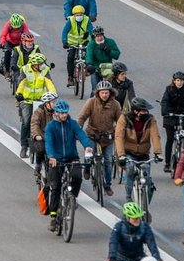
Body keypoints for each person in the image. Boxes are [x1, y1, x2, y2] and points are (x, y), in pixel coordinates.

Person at [42, 99, 91, 230]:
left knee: (77, 176)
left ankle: (72, 197)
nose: (64, 115)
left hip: (71, 157)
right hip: (56, 159)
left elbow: (82, 135)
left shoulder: (72, 124)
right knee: (55, 186)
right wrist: (51, 156)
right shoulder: (51, 126)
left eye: (65, 113)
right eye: (61, 113)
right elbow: (49, 142)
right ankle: (53, 217)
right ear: (56, 113)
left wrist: (87, 146)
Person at [78, 80, 122, 197]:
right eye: (102, 93)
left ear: (110, 93)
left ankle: (107, 185)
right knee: (89, 155)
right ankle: (87, 168)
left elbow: (120, 121)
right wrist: (78, 130)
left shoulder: (115, 104)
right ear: (98, 93)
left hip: (108, 138)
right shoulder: (91, 102)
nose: (104, 95)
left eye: (106, 93)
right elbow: (82, 117)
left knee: (108, 161)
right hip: (92, 135)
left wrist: (119, 132)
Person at [115, 99, 162, 206]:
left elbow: (155, 136)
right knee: (130, 169)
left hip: (143, 154)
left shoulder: (150, 119)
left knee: (148, 179)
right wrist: (121, 155)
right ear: (136, 111)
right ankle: (128, 197)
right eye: (144, 111)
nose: (147, 113)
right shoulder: (124, 118)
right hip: (128, 153)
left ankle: (145, 207)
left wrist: (158, 152)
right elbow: (119, 137)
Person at [15, 52, 55, 159]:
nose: (42, 65)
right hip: (27, 100)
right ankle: (24, 146)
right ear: (34, 65)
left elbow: (49, 83)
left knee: (45, 120)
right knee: (27, 121)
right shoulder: (25, 69)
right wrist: (19, 94)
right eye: (40, 63)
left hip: (40, 101)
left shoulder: (45, 70)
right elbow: (21, 83)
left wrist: (53, 95)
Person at [161, 71, 184, 168]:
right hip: (170, 115)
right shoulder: (169, 89)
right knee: (170, 139)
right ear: (174, 81)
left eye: (182, 80)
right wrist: (165, 112)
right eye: (178, 80)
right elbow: (165, 101)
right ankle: (167, 163)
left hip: (183, 113)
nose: (180, 82)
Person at [60, 5, 92, 88]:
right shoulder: (70, 21)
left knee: (88, 54)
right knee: (70, 58)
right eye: (77, 15)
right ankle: (70, 77)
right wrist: (65, 42)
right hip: (72, 43)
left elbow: (92, 32)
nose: (79, 16)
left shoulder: (87, 20)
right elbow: (65, 32)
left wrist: (93, 42)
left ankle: (87, 69)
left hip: (84, 42)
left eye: (80, 14)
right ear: (74, 15)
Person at [30, 92, 58, 181]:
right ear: (47, 103)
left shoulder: (57, 112)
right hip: (42, 136)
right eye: (53, 102)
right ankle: (38, 166)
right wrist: (37, 135)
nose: (55, 104)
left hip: (53, 137)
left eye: (55, 101)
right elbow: (34, 124)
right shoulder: (39, 111)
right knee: (41, 149)